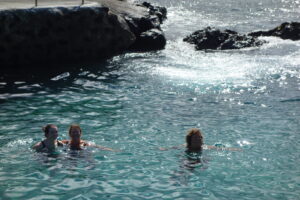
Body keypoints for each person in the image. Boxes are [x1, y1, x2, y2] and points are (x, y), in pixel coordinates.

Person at [160, 128, 242, 152]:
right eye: (195, 138)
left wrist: (234, 149)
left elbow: (218, 148)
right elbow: (175, 147)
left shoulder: (203, 147)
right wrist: (165, 148)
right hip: (188, 156)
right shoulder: (187, 146)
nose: (198, 140)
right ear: (190, 140)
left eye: (199, 138)